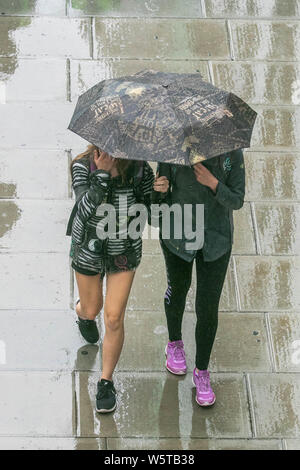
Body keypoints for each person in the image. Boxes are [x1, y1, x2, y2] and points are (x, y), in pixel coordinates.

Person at [66, 144, 169, 413]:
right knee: (93, 308)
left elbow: (155, 218)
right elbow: (83, 212)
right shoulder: (82, 166)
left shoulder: (139, 169)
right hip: (88, 248)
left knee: (113, 317)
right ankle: (83, 312)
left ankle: (105, 380)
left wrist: (160, 195)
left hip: (123, 251)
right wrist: (101, 175)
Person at [156, 149, 245, 407]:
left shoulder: (232, 154)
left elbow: (237, 200)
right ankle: (174, 343)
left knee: (207, 309)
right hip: (177, 237)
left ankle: (202, 372)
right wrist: (158, 190)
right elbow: (159, 201)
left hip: (216, 242)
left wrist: (214, 183)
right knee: (178, 290)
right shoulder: (171, 149)